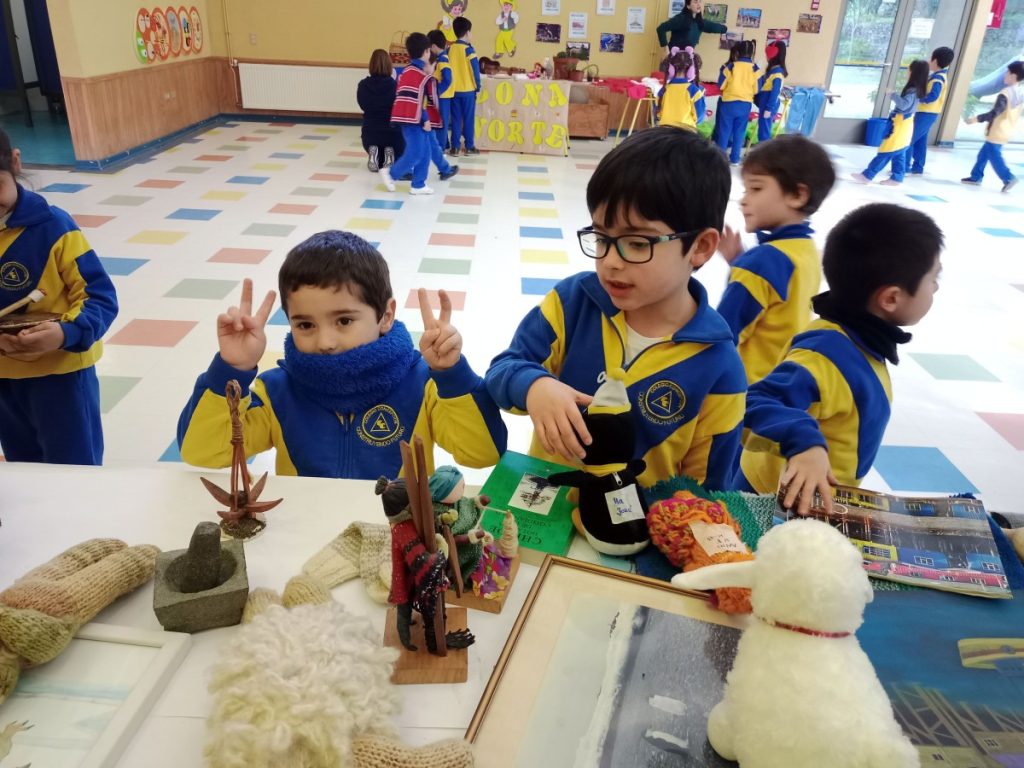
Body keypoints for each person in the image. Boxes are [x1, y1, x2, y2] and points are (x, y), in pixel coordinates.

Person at [485, 127, 746, 490]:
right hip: (543, 507)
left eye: (637, 243)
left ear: (700, 247)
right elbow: (502, 371)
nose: (610, 261)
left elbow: (708, 492)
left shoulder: (718, 366)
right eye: (602, 238)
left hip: (641, 523)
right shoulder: (573, 303)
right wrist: (534, 385)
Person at [177, 230, 507, 480]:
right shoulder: (277, 391)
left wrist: (452, 375)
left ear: (386, 316)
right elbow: (203, 452)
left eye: (344, 321)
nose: (326, 342)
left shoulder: (423, 384)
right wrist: (231, 369)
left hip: (400, 533)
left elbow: (482, 453)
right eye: (305, 324)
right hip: (309, 534)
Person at [735, 204, 943, 515]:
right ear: (891, 298)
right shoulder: (827, 353)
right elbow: (755, 401)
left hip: (812, 499)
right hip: (769, 506)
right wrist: (806, 444)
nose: (936, 286)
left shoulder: (859, 340)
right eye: (933, 278)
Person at [0, 128, 118, 465]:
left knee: (74, 470)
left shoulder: (55, 227)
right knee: (24, 471)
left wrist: (65, 333)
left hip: (60, 376)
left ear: (15, 162)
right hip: (4, 379)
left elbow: (101, 299)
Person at [716, 135, 836, 384]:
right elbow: (779, 306)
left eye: (756, 189)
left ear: (798, 195)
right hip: (782, 382)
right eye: (745, 190)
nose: (743, 200)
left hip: (742, 390)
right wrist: (739, 259)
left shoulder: (761, 263)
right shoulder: (806, 250)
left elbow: (721, 337)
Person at [379, 33, 442, 195]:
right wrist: (425, 119)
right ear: (426, 52)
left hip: (408, 118)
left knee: (425, 152)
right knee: (416, 152)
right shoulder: (420, 75)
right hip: (414, 120)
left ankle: (418, 184)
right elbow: (418, 100)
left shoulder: (407, 71)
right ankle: (391, 174)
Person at [851, 60, 929, 186]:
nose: (907, 72)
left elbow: (903, 105)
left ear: (914, 73)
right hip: (905, 124)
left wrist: (892, 94)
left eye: (909, 69)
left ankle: (867, 175)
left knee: (886, 151)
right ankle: (896, 178)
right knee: (899, 152)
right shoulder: (918, 90)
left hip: (899, 124)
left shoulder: (912, 91)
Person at [961, 60, 1024, 193]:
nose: (1005, 75)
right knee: (984, 154)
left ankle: (1008, 177)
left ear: (1013, 75)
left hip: (997, 130)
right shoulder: (1019, 92)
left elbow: (995, 113)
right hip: (1007, 129)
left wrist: (976, 119)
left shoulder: (1005, 93)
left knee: (995, 156)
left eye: (1007, 72)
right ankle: (976, 176)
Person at [905, 46, 954, 175]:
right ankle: (918, 167)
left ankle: (904, 167)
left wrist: (918, 99)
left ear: (935, 60)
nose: (929, 60)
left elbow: (933, 96)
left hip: (926, 113)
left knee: (909, 138)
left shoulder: (938, 78)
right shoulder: (939, 75)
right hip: (929, 113)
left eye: (930, 58)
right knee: (920, 141)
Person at [356, 49, 404, 172]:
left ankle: (375, 155)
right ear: (389, 65)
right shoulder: (395, 86)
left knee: (374, 142)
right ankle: (389, 156)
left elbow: (362, 105)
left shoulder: (363, 85)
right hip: (392, 132)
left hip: (369, 133)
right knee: (400, 144)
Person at [715, 40, 759, 165]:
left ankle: (721, 159)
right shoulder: (755, 68)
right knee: (740, 132)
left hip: (728, 103)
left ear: (737, 52)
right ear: (752, 53)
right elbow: (757, 89)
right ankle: (735, 159)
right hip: (745, 105)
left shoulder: (731, 66)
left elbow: (721, 85)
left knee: (724, 131)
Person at [448, 16, 482, 156]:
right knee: (468, 119)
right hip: (468, 91)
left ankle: (455, 147)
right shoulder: (469, 50)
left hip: (454, 91)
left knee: (455, 119)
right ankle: (469, 146)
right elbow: (475, 71)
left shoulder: (450, 49)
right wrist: (478, 86)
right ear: (468, 33)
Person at [657, 46, 706, 129]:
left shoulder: (664, 90)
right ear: (691, 70)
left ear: (670, 70)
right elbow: (699, 117)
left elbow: (658, 113)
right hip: (686, 133)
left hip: (664, 131)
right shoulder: (694, 91)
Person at [657, 0, 727, 54]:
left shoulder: (700, 22)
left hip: (688, 58)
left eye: (700, 1)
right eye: (695, 2)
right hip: (674, 56)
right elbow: (661, 29)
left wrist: (726, 29)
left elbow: (715, 27)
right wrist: (666, 50)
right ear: (688, 6)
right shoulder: (680, 19)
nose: (699, 4)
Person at [427, 30, 455, 151]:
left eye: (429, 48)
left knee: (441, 122)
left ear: (433, 46)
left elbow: (447, 79)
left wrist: (438, 91)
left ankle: (441, 147)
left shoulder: (442, 60)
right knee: (442, 120)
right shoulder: (442, 57)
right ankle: (445, 144)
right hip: (444, 95)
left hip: (443, 96)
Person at [754, 41, 787, 143]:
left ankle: (765, 151)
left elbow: (775, 93)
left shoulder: (777, 73)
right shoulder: (772, 70)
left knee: (764, 131)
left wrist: (769, 108)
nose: (766, 57)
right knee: (762, 129)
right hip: (765, 102)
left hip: (768, 104)